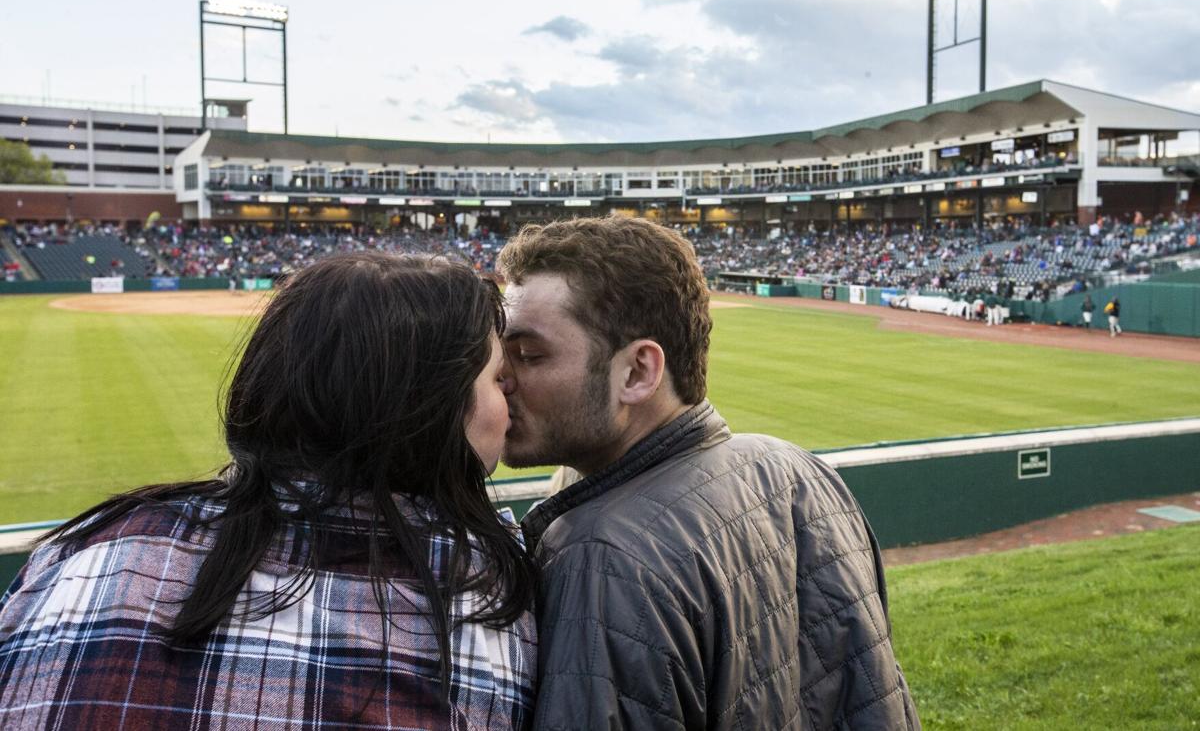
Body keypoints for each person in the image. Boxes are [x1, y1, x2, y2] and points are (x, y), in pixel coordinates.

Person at [0, 252, 537, 729]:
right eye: (495, 378)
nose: (508, 399)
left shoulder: (81, 551)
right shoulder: (491, 594)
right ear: (431, 409)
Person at [498, 216, 919, 730]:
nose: (500, 377)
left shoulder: (599, 555)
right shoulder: (798, 467)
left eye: (528, 354)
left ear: (637, 372)